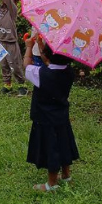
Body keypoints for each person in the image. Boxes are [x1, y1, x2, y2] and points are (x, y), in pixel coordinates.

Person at [24, 36, 79, 192]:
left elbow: (26, 65)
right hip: (61, 117)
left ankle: (51, 184)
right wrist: (42, 46)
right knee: (64, 144)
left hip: (45, 119)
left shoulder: (40, 74)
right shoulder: (69, 71)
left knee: (52, 149)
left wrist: (29, 47)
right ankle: (66, 175)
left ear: (46, 56)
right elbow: (52, 62)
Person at [0, 0, 27, 96]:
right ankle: (7, 85)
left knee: (15, 65)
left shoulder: (13, 10)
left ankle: (22, 85)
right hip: (1, 42)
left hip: (11, 42)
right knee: (4, 65)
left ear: (15, 1)